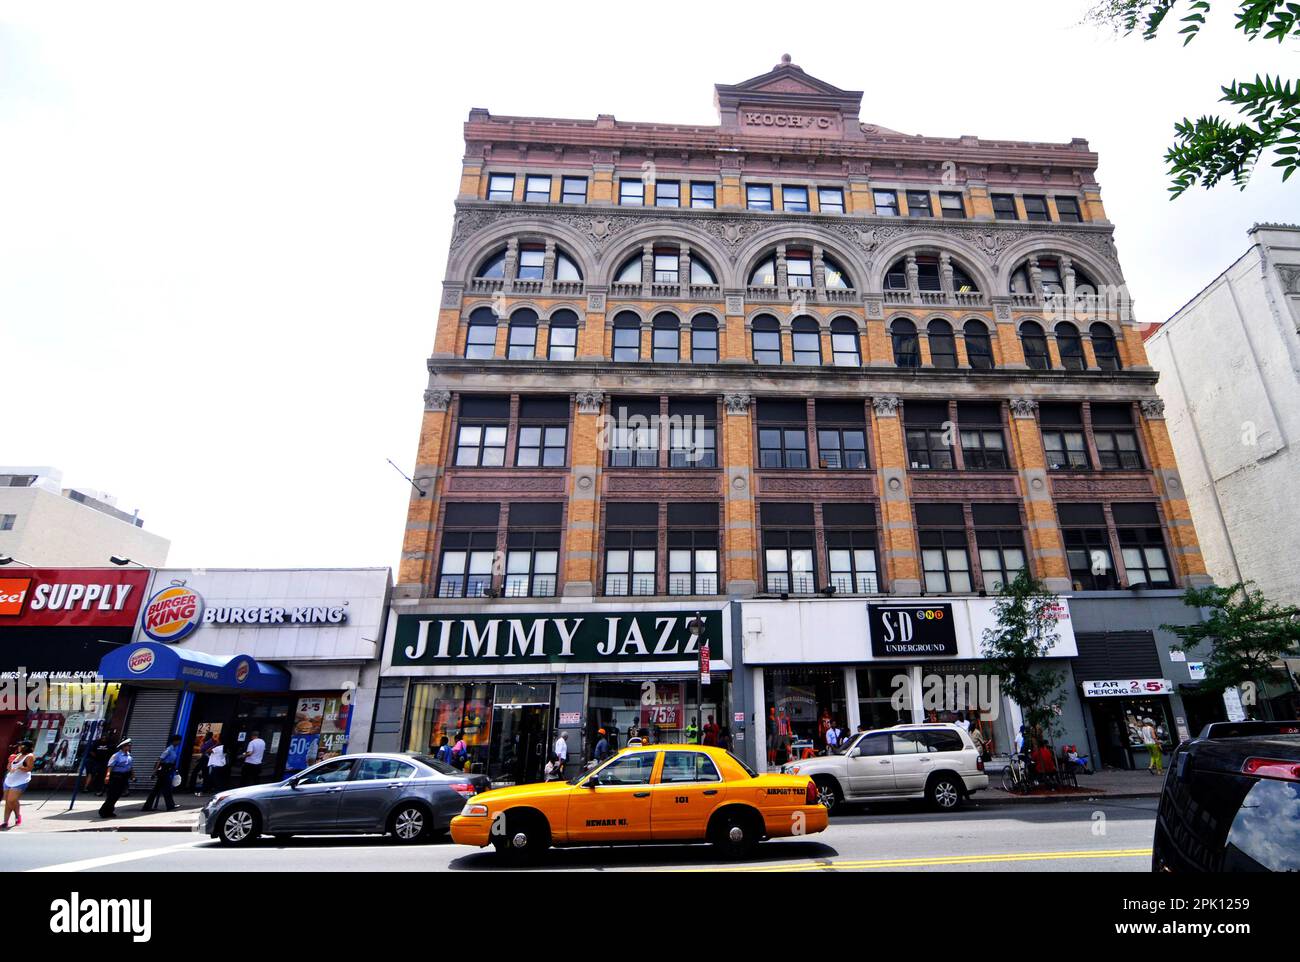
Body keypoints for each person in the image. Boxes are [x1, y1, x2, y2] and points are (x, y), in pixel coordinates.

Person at [143, 735, 182, 812]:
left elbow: (172, 762)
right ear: (174, 741)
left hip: (167, 770)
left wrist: (175, 769)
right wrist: (154, 772)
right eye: (178, 740)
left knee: (156, 789)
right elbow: (159, 760)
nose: (179, 742)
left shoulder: (173, 750)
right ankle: (170, 805)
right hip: (163, 771)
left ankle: (147, 806)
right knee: (167, 788)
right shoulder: (168, 750)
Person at [2, 740, 35, 829]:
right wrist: (10, 761)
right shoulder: (18, 755)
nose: (19, 747)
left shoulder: (29, 756)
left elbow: (29, 768)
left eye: (21, 746)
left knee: (11, 800)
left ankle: (17, 816)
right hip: (9, 780)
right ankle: (5, 821)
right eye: (19, 746)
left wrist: (18, 767)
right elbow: (9, 768)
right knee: (7, 801)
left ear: (26, 747)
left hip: (21, 781)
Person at [99, 739, 135, 818]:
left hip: (124, 777)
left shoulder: (129, 756)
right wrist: (107, 776)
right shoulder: (116, 755)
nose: (129, 747)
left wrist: (133, 776)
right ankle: (103, 811)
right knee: (112, 794)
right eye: (128, 745)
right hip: (116, 777)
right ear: (123, 746)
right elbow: (110, 766)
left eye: (130, 746)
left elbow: (130, 767)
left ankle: (110, 811)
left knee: (117, 795)